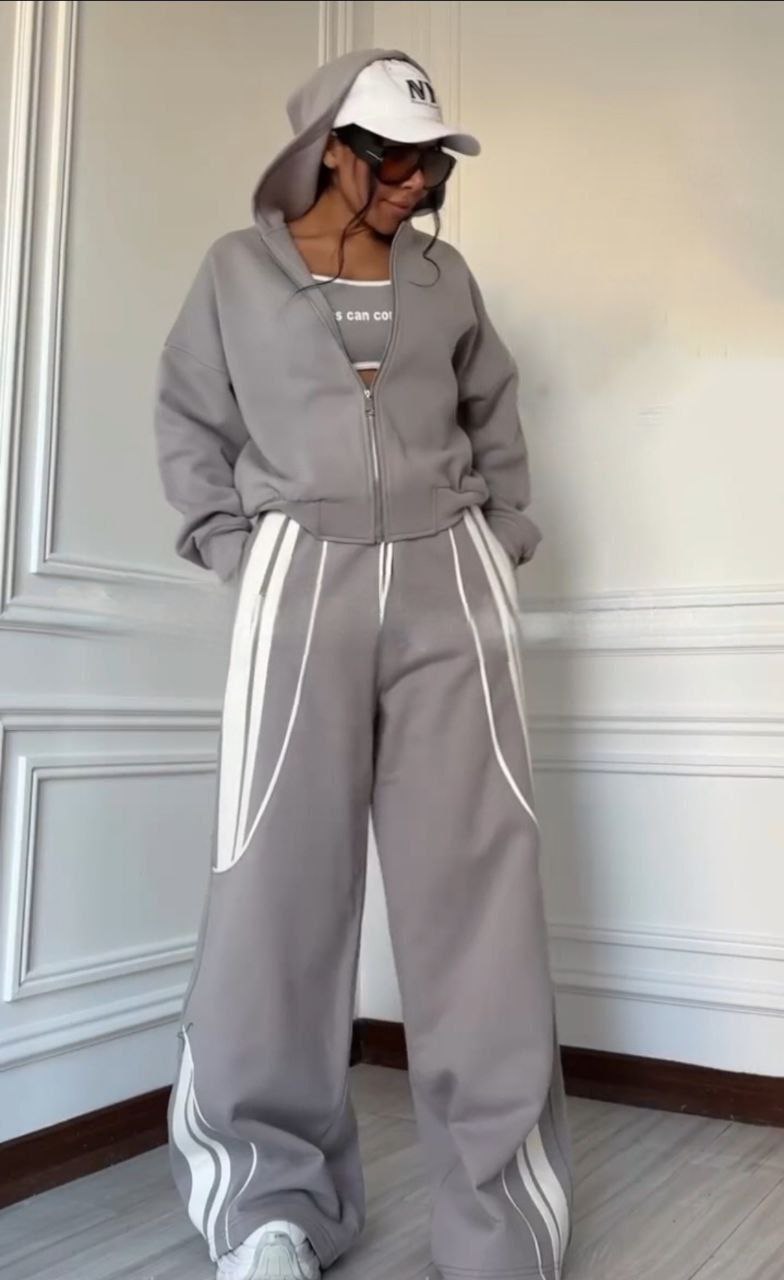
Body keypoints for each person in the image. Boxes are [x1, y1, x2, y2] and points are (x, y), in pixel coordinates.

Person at [153, 46, 574, 1280]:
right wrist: (237, 549)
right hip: (298, 580)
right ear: (329, 148)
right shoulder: (236, 271)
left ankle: (501, 1227)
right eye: (393, 157)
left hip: (451, 579)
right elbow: (190, 418)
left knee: (479, 896)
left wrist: (499, 539)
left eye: (432, 162)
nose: (415, 182)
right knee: (271, 891)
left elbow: (494, 415)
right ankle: (268, 1209)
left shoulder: (447, 279)